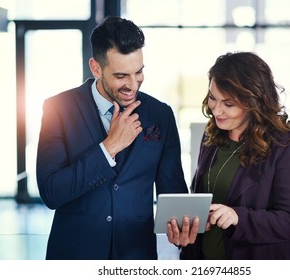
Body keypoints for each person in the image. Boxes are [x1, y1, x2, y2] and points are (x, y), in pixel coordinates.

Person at [36, 16, 198, 260]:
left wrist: (182, 231)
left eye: (139, 72)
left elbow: (172, 191)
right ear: (96, 68)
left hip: (136, 256)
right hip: (74, 256)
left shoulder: (160, 115)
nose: (133, 85)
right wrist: (108, 148)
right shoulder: (58, 109)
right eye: (121, 76)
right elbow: (51, 192)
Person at [178, 51, 290, 260]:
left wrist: (237, 217)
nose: (216, 110)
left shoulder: (285, 147)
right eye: (213, 98)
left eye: (228, 104)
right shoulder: (211, 135)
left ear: (254, 102)